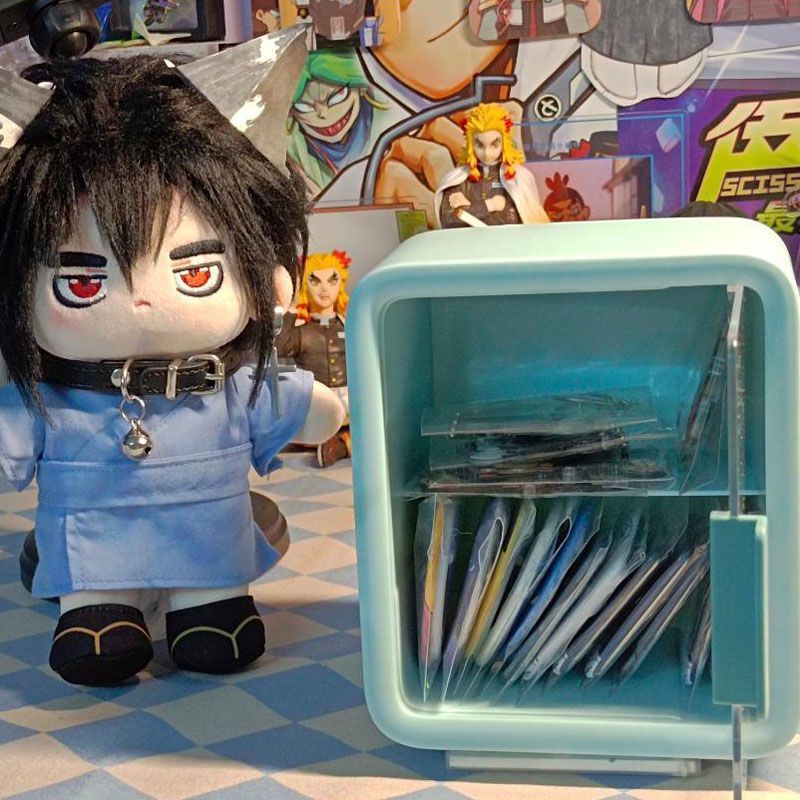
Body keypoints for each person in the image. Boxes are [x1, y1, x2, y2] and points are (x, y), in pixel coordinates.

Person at [0, 30, 344, 687]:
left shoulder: (233, 387)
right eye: (82, 283)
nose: (142, 300)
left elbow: (311, 413)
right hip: (91, 555)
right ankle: (99, 612)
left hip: (210, 544)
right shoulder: (51, 400)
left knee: (215, 610)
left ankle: (209, 608)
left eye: (195, 274)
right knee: (97, 613)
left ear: (266, 279)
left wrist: (320, 409)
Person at [276, 251, 351, 467]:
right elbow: (279, 347)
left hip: (351, 400)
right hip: (317, 400)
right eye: (315, 281)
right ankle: (338, 443)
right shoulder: (302, 331)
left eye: (332, 280)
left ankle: (341, 444)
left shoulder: (351, 323)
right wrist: (290, 308)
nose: (324, 288)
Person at [434, 103, 549, 228]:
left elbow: (511, 219)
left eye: (494, 144)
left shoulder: (518, 177)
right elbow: (449, 220)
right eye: (479, 145)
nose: (487, 153)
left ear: (504, 143)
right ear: (471, 143)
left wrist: (468, 209)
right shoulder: (458, 179)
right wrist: (491, 205)